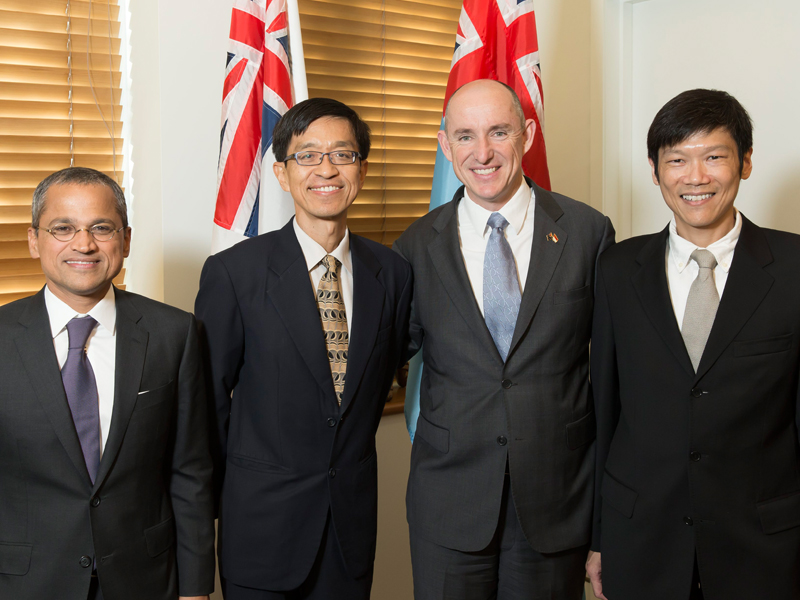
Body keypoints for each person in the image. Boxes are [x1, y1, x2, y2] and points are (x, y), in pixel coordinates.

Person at [393, 79, 615, 599]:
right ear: (445, 145)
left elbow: (611, 375)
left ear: (528, 134)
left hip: (557, 500)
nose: (483, 152)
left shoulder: (587, 233)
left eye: (499, 132)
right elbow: (380, 358)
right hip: (449, 501)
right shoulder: (415, 245)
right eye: (465, 136)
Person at [195, 98, 413, 600]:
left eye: (342, 154)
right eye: (308, 155)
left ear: (361, 168)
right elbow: (205, 406)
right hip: (262, 531)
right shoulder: (235, 273)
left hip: (349, 533)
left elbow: (376, 385)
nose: (326, 169)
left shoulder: (393, 272)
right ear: (280, 172)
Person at [587, 89, 800, 600]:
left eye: (714, 157)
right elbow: (604, 413)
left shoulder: (794, 268)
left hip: (764, 549)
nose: (696, 176)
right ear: (655, 170)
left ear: (745, 163)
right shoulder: (617, 270)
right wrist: (598, 539)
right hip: (642, 540)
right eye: (677, 159)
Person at [0, 167, 215, 600]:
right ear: (33, 239)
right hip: (25, 581)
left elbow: (190, 472)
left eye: (101, 227)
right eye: (63, 228)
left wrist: (195, 588)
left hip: (145, 579)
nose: (84, 244)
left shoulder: (175, 333)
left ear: (126, 240)